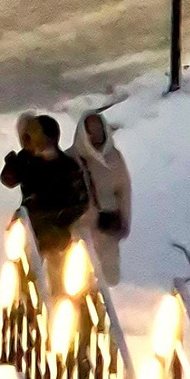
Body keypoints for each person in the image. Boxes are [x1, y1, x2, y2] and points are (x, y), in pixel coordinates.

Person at [0, 111, 93, 301]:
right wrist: (12, 163)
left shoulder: (67, 166)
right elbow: (8, 180)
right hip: (30, 226)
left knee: (58, 274)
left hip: (56, 231)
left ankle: (58, 305)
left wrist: (59, 219)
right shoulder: (27, 160)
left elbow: (81, 202)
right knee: (24, 270)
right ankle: (26, 303)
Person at [77, 110, 132, 288]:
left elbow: (124, 192)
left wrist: (124, 222)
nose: (96, 133)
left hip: (108, 228)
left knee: (108, 278)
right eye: (91, 129)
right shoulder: (74, 158)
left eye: (99, 128)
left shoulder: (114, 158)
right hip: (82, 229)